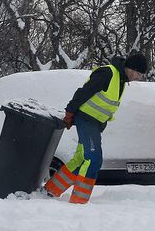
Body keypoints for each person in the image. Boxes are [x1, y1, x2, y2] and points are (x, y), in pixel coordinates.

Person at [43, 53, 148, 204]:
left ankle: (51, 189)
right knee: (94, 159)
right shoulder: (108, 73)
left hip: (95, 124)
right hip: (86, 119)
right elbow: (84, 92)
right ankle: (79, 201)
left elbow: (105, 105)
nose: (138, 77)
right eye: (138, 73)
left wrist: (102, 123)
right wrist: (70, 112)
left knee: (80, 159)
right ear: (130, 68)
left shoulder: (121, 81)